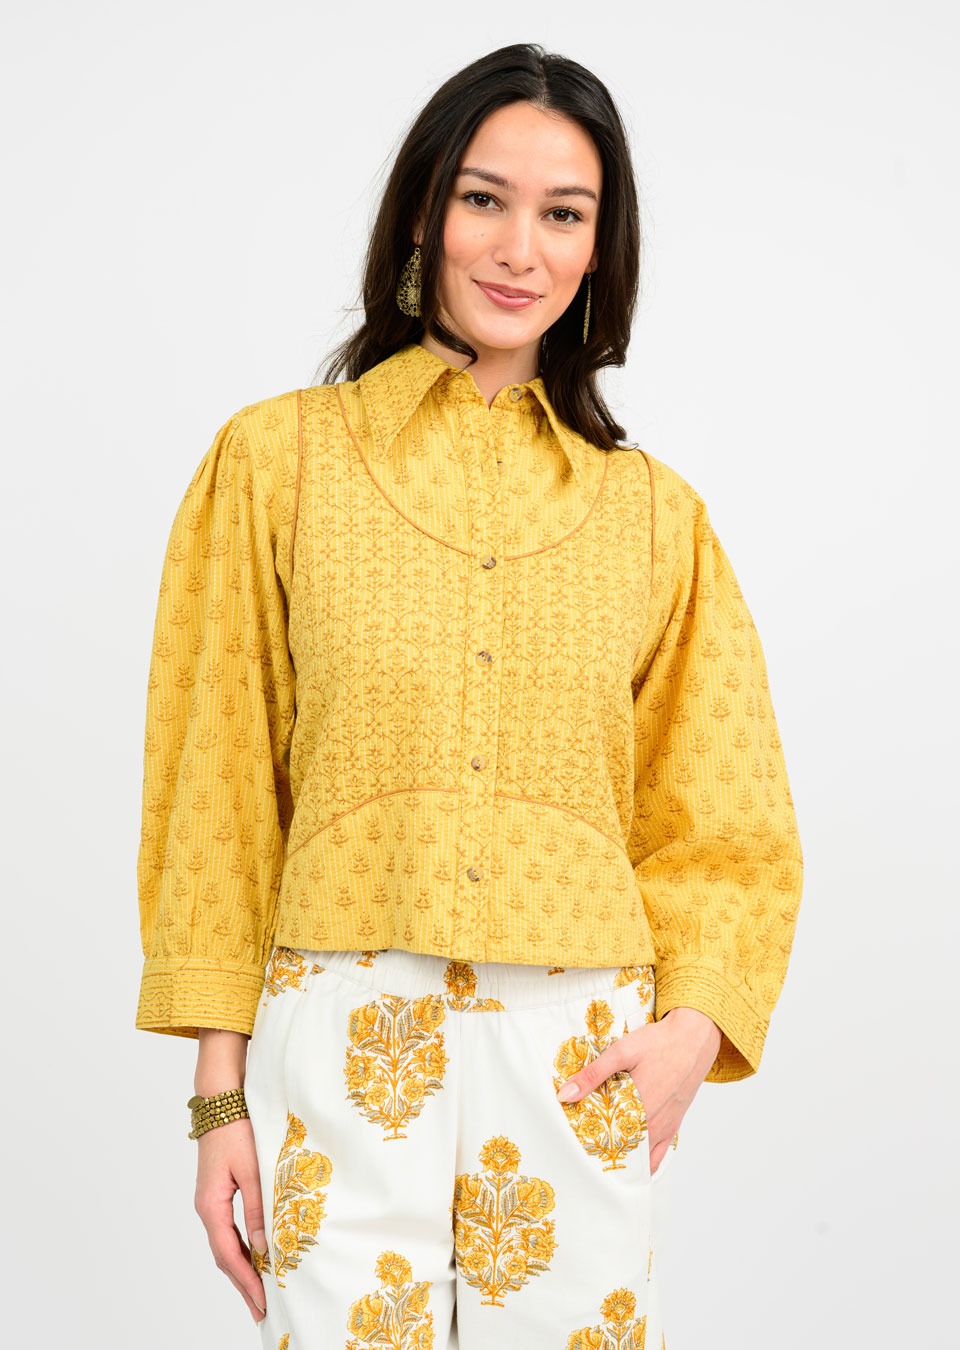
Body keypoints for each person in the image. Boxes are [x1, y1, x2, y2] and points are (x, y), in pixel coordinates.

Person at [135, 42, 803, 1350]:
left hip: (577, 1051)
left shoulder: (653, 517)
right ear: (422, 211)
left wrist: (692, 1029)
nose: (518, 249)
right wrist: (218, 1100)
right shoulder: (276, 463)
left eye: (564, 214)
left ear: (600, 250)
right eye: (483, 199)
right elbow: (214, 787)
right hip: (341, 1026)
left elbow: (729, 818)